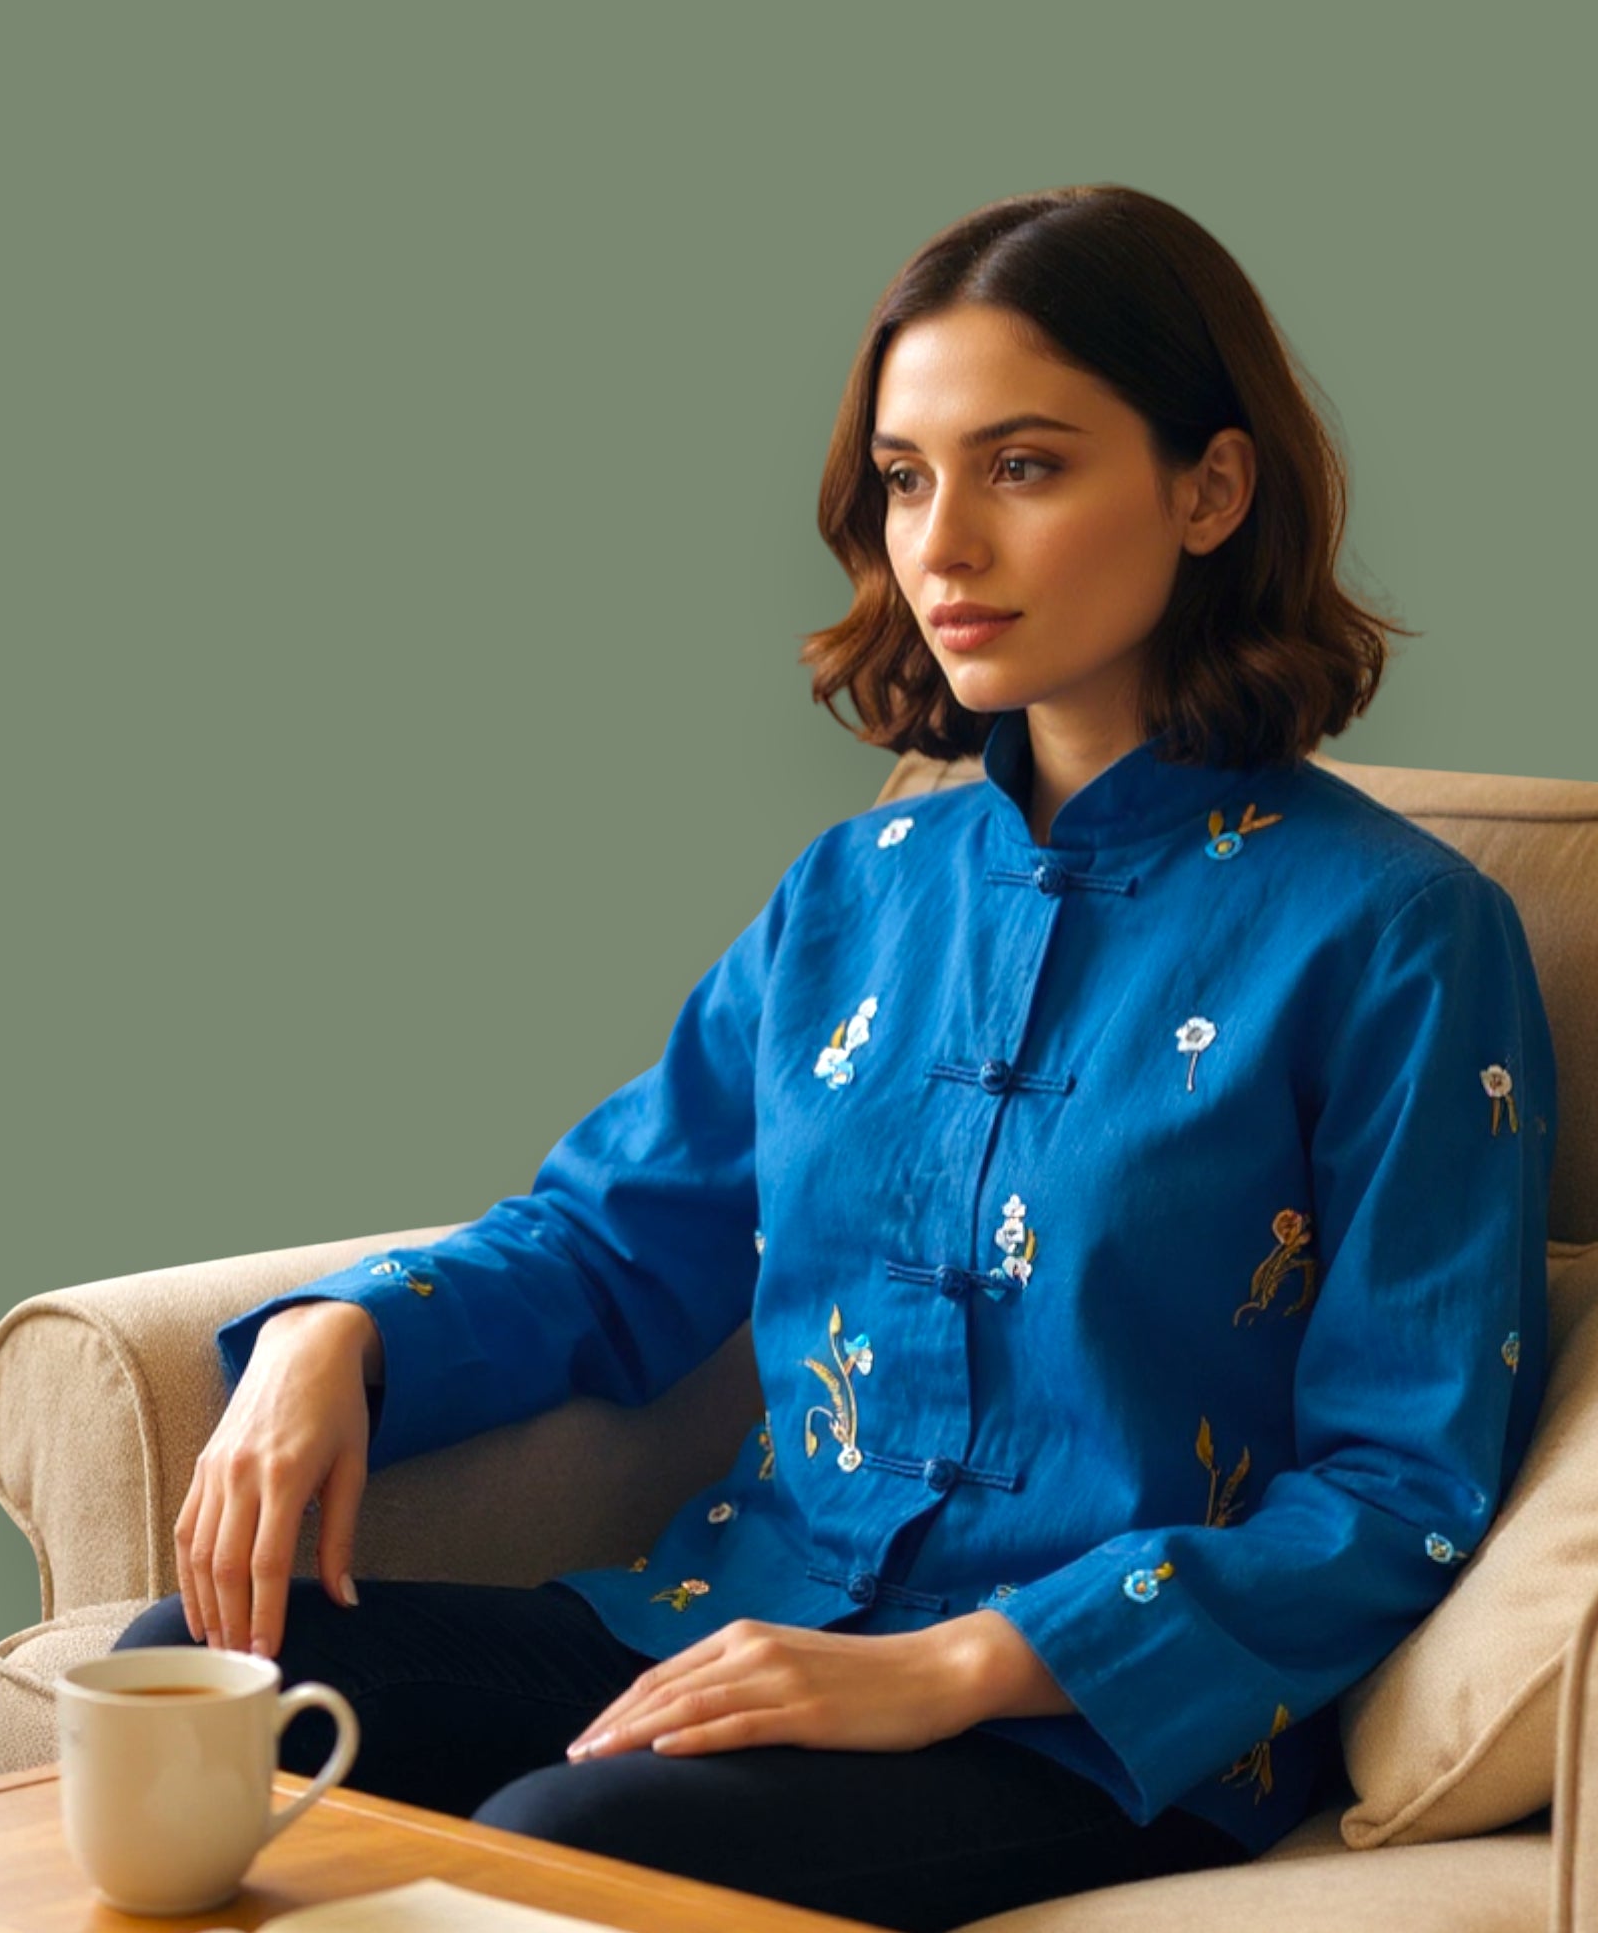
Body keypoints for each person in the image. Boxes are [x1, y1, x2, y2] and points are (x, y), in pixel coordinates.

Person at [118, 184, 1557, 1933]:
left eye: (1022, 466)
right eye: (903, 477)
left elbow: (1405, 1480)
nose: (939, 546)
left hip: (1088, 1732)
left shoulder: (1400, 934)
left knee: (573, 1831)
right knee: (192, 1666)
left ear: (1209, 489)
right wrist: (342, 1335)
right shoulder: (855, 891)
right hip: (744, 1608)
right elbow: (613, 1240)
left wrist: (960, 1667)